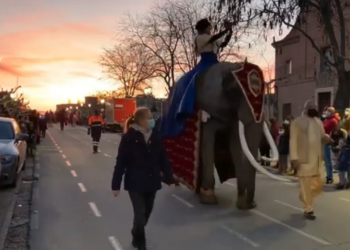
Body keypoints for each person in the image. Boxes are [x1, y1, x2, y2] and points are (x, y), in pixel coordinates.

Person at [111, 107, 175, 250]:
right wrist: (116, 185)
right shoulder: (128, 138)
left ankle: (136, 231)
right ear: (141, 120)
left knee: (146, 213)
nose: (152, 120)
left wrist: (170, 178)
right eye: (149, 118)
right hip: (135, 183)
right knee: (139, 214)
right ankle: (140, 242)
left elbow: (163, 159)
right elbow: (121, 162)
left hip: (152, 182)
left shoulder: (156, 136)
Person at [160, 18, 233, 137]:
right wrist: (225, 30)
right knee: (192, 80)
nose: (210, 30)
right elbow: (214, 38)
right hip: (205, 62)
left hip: (215, 61)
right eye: (209, 27)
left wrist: (230, 33)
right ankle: (188, 104)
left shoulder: (210, 38)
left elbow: (223, 44)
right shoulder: (200, 37)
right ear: (204, 28)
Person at [290, 100, 330, 220]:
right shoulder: (297, 122)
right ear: (306, 108)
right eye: (311, 107)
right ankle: (309, 209)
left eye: (315, 107)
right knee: (306, 184)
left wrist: (326, 138)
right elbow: (293, 141)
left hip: (317, 159)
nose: (313, 108)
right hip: (304, 159)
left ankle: (304, 196)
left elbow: (322, 137)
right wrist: (294, 158)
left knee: (316, 184)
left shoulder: (318, 122)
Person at [323, 107, 338, 183]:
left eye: (329, 111)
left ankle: (330, 176)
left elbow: (325, 129)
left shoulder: (333, 121)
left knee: (328, 160)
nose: (327, 112)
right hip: (324, 141)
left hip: (328, 142)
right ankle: (328, 175)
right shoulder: (326, 120)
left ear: (332, 113)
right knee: (326, 160)